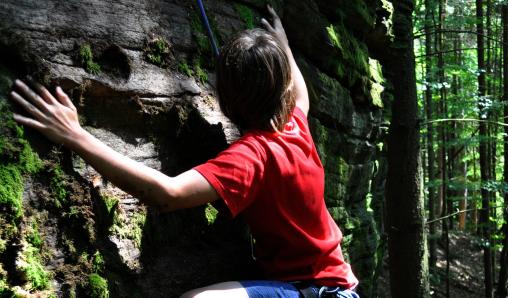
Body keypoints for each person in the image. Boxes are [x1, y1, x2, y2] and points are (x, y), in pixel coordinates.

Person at [9, 5, 359, 298]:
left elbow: (167, 194)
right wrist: (283, 47)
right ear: (279, 87)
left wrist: (74, 135)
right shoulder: (295, 126)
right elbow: (301, 96)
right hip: (340, 285)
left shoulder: (252, 157)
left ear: (227, 97)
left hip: (312, 291)